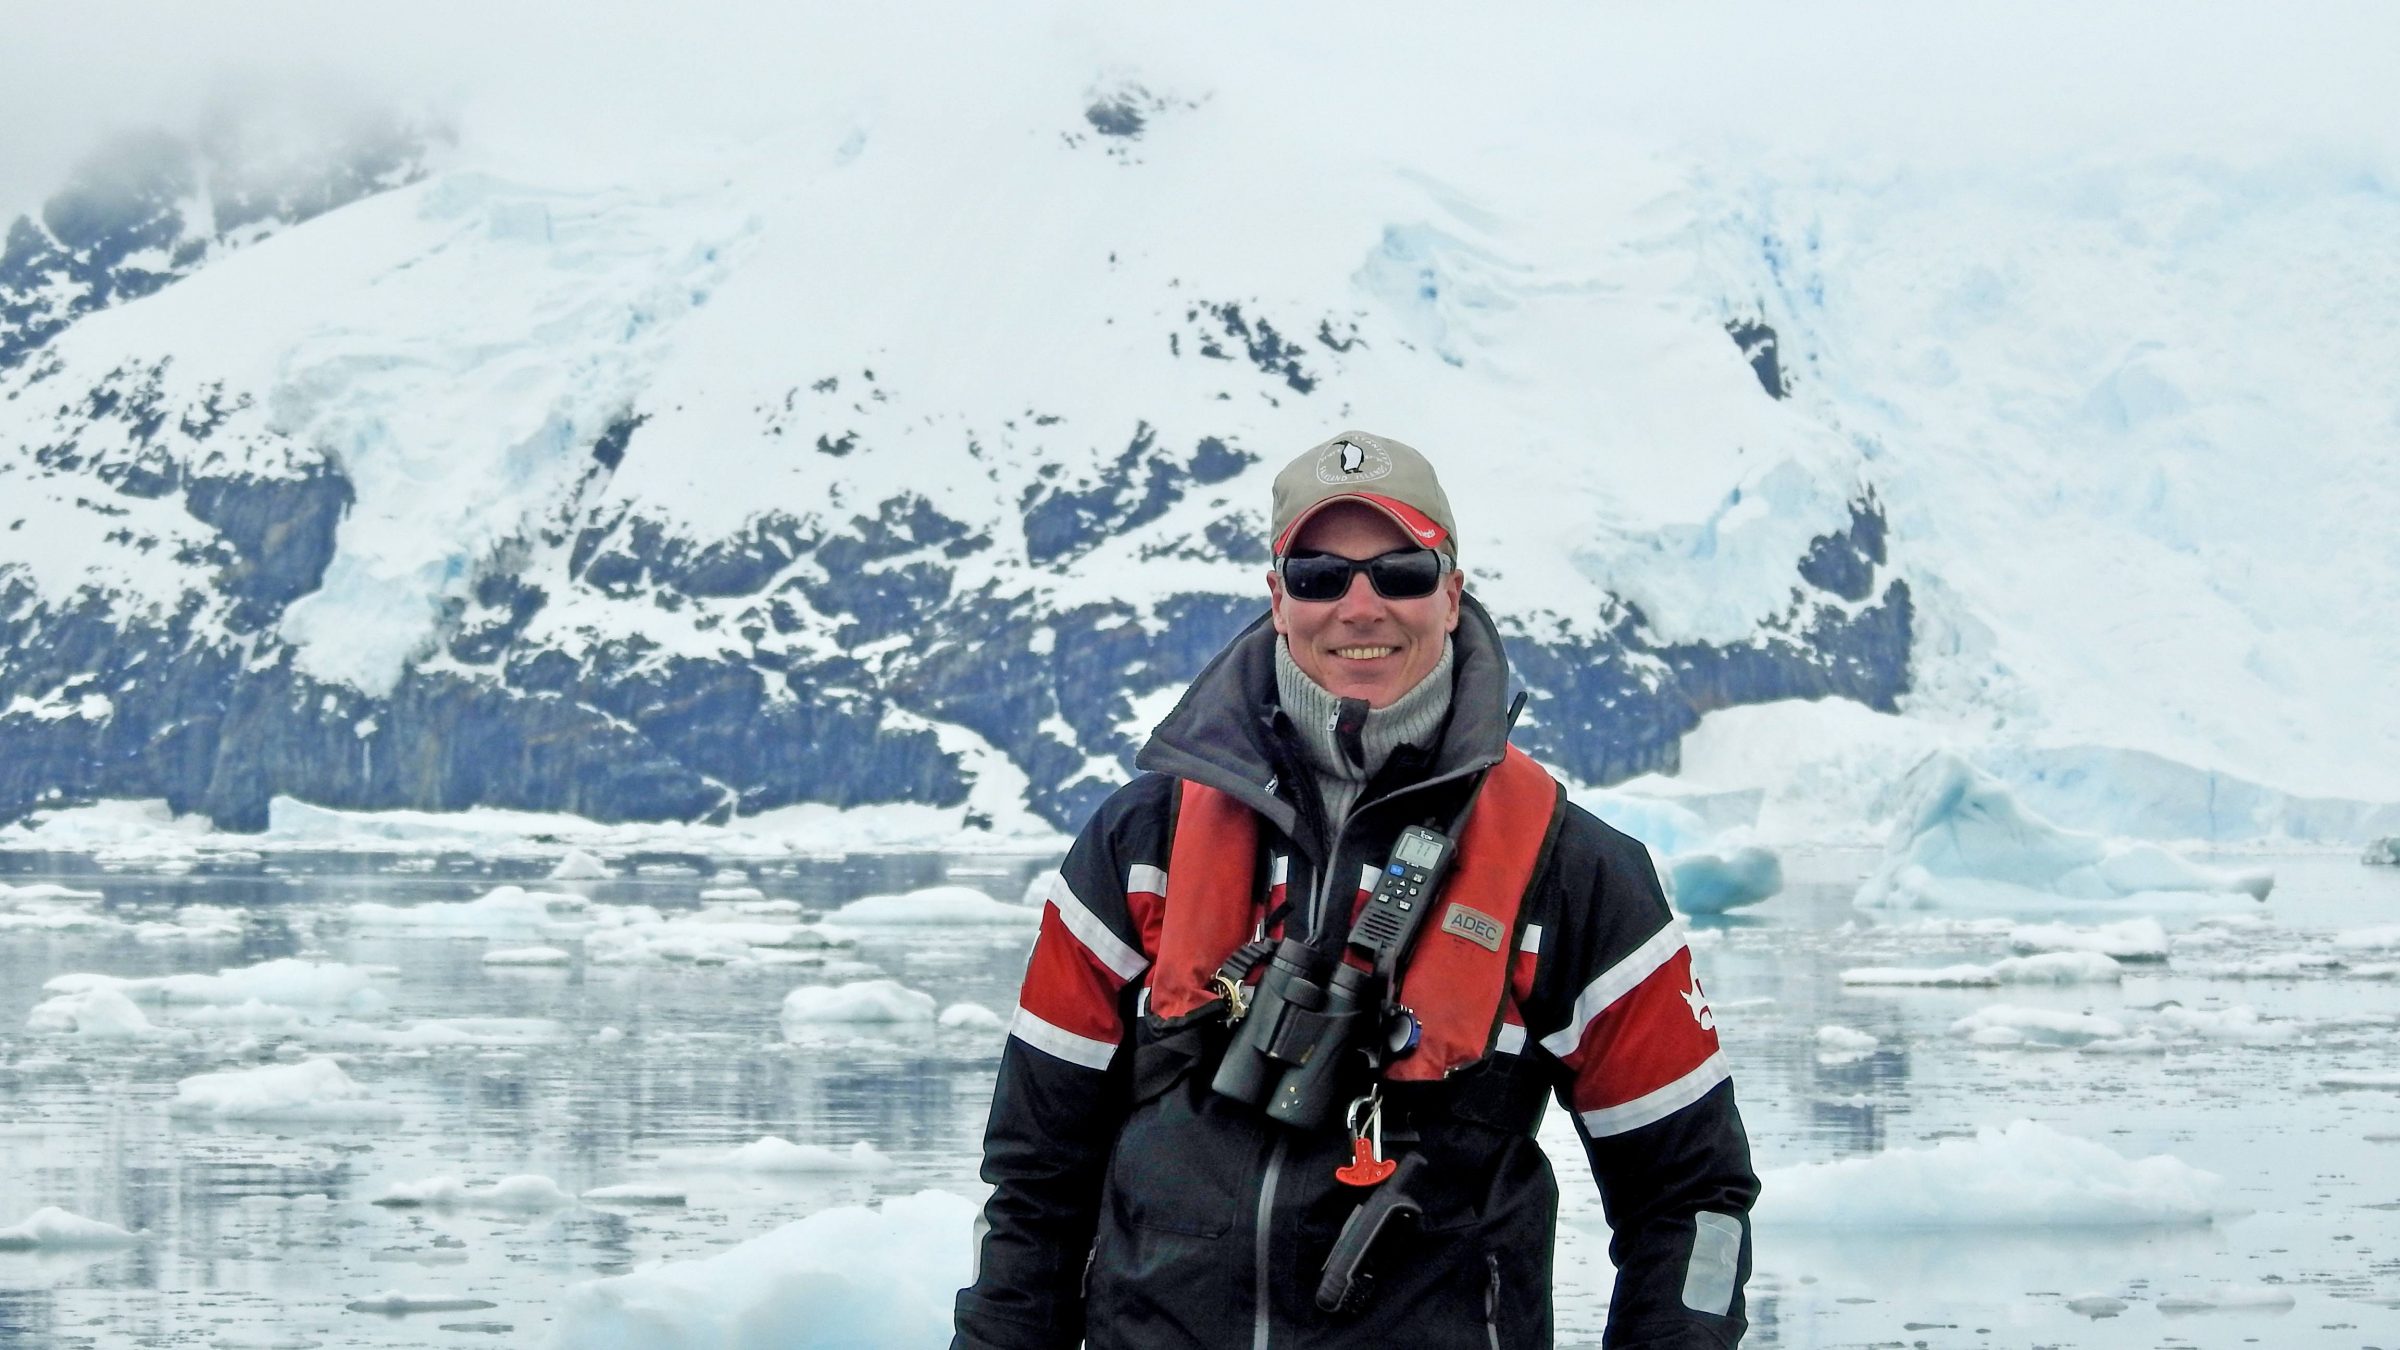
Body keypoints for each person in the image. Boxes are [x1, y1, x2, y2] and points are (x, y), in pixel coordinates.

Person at [955, 430, 1757, 1350]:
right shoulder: (1141, 844)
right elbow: (1032, 1183)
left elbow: (1693, 1203)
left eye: (1403, 573)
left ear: (1452, 593)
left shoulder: (1571, 872)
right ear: (1278, 595)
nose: (1361, 605)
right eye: (1320, 575)